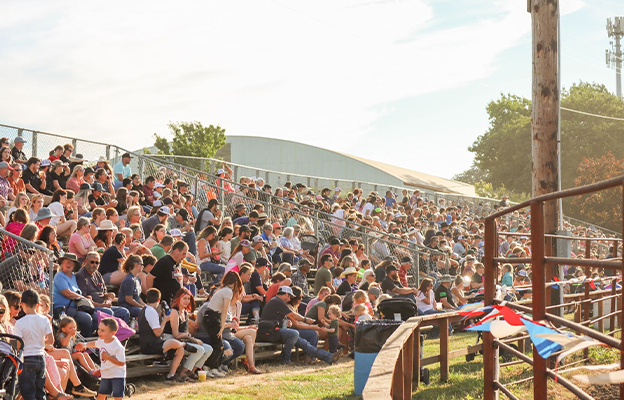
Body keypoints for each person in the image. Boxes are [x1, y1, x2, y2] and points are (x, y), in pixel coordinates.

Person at [260, 286, 342, 365]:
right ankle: (285, 359)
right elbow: (294, 316)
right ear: (285, 294)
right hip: (270, 331)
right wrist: (306, 320)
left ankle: (329, 357)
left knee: (305, 344)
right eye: (289, 296)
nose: (290, 299)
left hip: (274, 330)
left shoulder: (277, 301)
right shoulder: (277, 301)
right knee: (294, 333)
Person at [201, 271, 244, 377]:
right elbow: (224, 311)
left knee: (218, 345)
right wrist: (221, 327)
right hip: (212, 318)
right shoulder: (228, 292)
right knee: (218, 345)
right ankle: (208, 367)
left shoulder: (223, 290)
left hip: (212, 317)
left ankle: (213, 367)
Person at [137, 288, 186, 382]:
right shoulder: (151, 311)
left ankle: (171, 375)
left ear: (146, 299)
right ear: (158, 300)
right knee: (173, 342)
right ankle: (184, 344)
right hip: (150, 346)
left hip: (150, 344)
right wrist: (165, 320)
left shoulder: (144, 310)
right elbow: (157, 333)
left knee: (180, 350)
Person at [164, 288, 213, 381]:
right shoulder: (174, 312)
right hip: (172, 339)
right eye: (184, 298)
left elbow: (185, 333)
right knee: (199, 349)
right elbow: (176, 334)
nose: (187, 301)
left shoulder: (185, 313)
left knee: (209, 349)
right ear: (178, 299)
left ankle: (191, 371)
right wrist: (193, 340)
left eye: (188, 298)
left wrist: (190, 337)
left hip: (183, 339)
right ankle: (182, 373)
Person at [15, 289, 52, 400]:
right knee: (40, 391)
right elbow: (51, 340)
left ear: (22, 304)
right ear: (37, 305)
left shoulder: (20, 323)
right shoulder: (44, 320)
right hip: (41, 358)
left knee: (28, 392)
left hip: (26, 359)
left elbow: (18, 345)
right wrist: (40, 343)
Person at [75, 251, 131, 323]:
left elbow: (104, 292)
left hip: (103, 305)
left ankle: (121, 334)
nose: (95, 265)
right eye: (92, 262)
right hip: (91, 307)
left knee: (124, 312)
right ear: (86, 261)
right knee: (108, 312)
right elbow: (85, 300)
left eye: (97, 263)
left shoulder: (97, 274)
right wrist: (102, 305)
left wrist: (109, 296)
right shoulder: (81, 276)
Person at [53, 253, 98, 335]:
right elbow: (67, 293)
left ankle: (86, 337)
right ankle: (84, 341)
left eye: (71, 262)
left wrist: (85, 297)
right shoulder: (59, 276)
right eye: (66, 261)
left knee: (96, 317)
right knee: (86, 318)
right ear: (62, 263)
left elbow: (77, 293)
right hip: (63, 309)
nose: (68, 264)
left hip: (76, 307)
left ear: (74, 266)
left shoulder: (73, 277)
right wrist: (83, 298)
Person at [83, 318, 126, 400]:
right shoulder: (102, 340)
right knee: (101, 395)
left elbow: (121, 363)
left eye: (103, 330)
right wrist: (84, 345)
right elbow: (95, 343)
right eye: (99, 329)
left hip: (117, 375)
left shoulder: (117, 346)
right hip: (106, 374)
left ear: (112, 333)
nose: (99, 332)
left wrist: (108, 357)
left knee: (118, 397)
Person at [148, 241, 188, 306]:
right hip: (163, 302)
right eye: (183, 254)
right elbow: (150, 277)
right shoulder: (165, 261)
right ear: (177, 251)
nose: (185, 256)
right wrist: (152, 297)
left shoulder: (178, 263)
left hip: (174, 302)